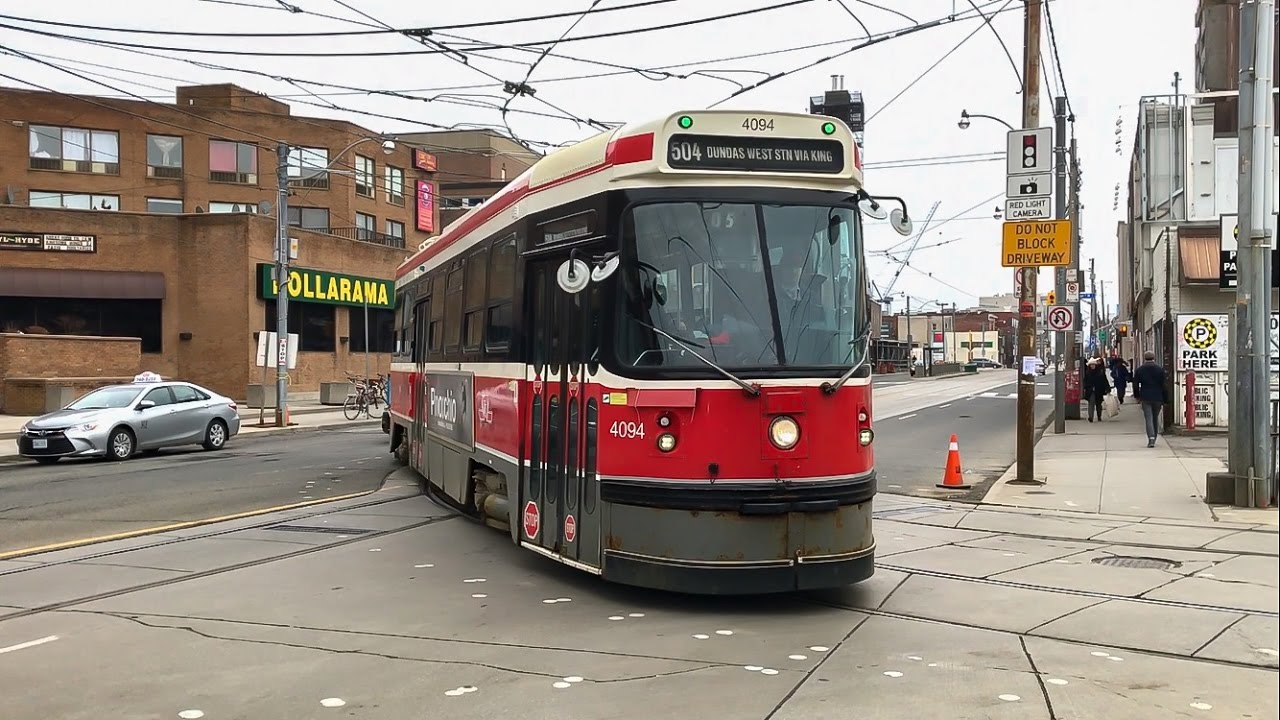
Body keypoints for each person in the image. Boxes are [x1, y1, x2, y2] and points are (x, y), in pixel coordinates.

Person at [1131, 350, 1168, 448]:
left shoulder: (1140, 370)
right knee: (1155, 417)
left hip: (1145, 396)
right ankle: (1154, 437)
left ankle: (1151, 438)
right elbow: (1164, 385)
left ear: (1144, 358)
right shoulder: (1160, 370)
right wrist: (1165, 398)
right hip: (1157, 397)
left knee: (1148, 418)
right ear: (1154, 358)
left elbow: (1135, 385)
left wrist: (1137, 396)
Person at [1082, 357, 1111, 422]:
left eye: (1093, 365)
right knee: (1091, 403)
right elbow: (1085, 382)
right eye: (1091, 365)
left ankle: (1099, 416)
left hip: (1099, 390)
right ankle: (1090, 417)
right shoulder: (1087, 373)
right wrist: (1086, 387)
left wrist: (1108, 389)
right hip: (1090, 391)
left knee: (1098, 404)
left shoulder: (1100, 372)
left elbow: (1105, 381)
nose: (1092, 366)